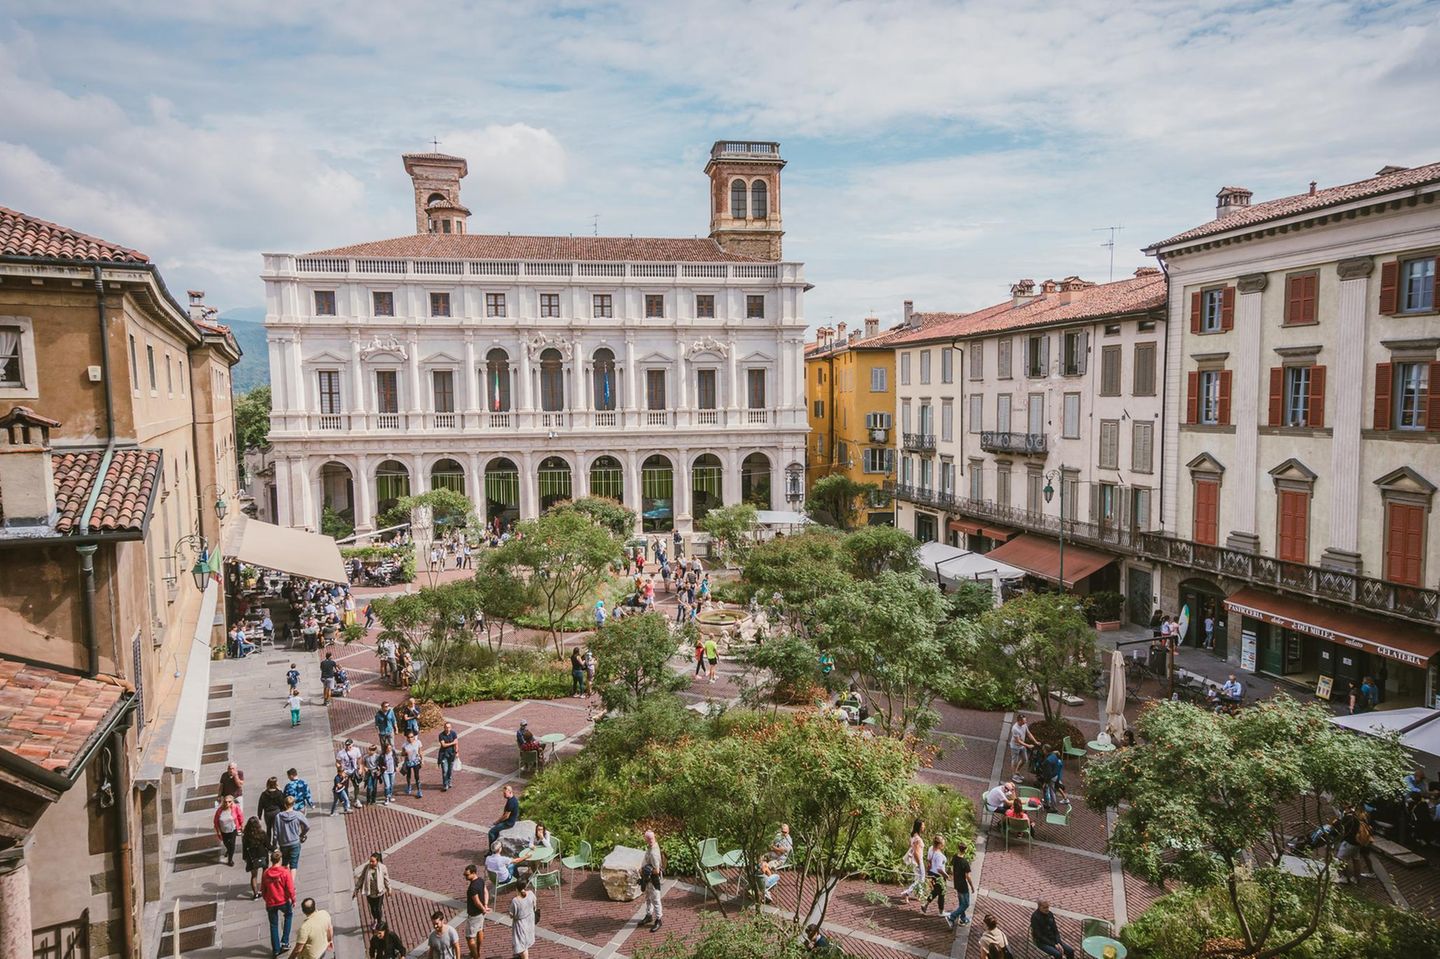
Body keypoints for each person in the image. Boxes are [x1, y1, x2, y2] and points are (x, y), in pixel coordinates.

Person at [262, 850, 296, 958]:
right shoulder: (285, 872)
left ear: (271, 860)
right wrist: (293, 899)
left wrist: (267, 899)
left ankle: (276, 950)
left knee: (273, 925)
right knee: (288, 916)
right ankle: (285, 942)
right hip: (283, 901)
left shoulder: (266, 873)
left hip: (271, 902)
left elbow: (263, 889)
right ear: (279, 860)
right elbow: (290, 888)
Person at [352, 851, 391, 928]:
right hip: (370, 893)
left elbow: (386, 879)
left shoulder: (382, 868)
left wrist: (389, 888)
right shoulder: (367, 867)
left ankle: (379, 922)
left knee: (378, 908)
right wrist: (356, 890)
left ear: (377, 861)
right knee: (373, 908)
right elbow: (361, 878)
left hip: (379, 892)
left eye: (373, 861)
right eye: (370, 861)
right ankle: (375, 919)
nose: (371, 863)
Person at [274, 796, 310, 873]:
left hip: (283, 844)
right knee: (293, 865)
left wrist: (274, 845)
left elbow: (275, 833)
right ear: (293, 804)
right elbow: (307, 826)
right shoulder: (298, 815)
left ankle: (285, 880)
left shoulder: (278, 816)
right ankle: (291, 884)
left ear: (285, 804)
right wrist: (302, 834)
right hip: (295, 842)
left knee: (285, 863)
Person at [462, 864, 490, 959]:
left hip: (474, 914)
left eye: (467, 875)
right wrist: (485, 905)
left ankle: (476, 957)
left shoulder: (472, 888)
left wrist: (483, 908)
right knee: (480, 930)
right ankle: (478, 951)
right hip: (481, 913)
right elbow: (486, 892)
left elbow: (476, 901)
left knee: (469, 937)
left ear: (473, 873)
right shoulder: (481, 880)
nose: (465, 877)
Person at [945, 840, 973, 930]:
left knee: (961, 902)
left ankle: (963, 919)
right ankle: (952, 917)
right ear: (965, 850)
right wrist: (972, 886)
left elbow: (952, 869)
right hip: (963, 885)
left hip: (956, 883)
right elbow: (968, 876)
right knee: (966, 904)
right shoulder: (965, 862)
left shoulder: (955, 857)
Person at [640, 829, 664, 932]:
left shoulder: (654, 852)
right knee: (648, 898)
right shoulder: (651, 847)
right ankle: (649, 915)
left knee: (655, 899)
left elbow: (657, 870)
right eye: (648, 838)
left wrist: (646, 870)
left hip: (653, 880)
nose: (649, 840)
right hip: (647, 879)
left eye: (651, 838)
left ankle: (658, 919)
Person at [214, 794, 245, 866]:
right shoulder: (219, 810)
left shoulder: (235, 808)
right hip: (223, 831)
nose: (227, 803)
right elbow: (215, 822)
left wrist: (242, 825)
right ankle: (228, 850)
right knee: (226, 843)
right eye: (225, 802)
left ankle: (230, 860)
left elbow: (240, 816)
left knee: (232, 845)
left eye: (229, 801)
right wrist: (218, 831)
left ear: (232, 802)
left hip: (232, 830)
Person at [510, 878, 538, 958]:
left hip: (520, 925)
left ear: (516, 888)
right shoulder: (531, 894)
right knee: (526, 940)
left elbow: (511, 914)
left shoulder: (515, 901)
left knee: (522, 945)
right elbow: (535, 906)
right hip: (529, 922)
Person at [901, 819, 926, 902]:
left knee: (918, 879)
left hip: (915, 860)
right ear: (919, 827)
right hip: (918, 861)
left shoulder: (913, 836)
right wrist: (919, 864)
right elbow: (916, 852)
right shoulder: (917, 838)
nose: (924, 827)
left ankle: (920, 895)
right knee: (921, 879)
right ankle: (907, 892)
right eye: (922, 826)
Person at [921, 835, 947, 914]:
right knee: (941, 892)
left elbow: (928, 860)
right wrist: (946, 875)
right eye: (942, 844)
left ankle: (926, 905)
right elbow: (939, 869)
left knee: (936, 891)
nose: (943, 845)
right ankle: (940, 911)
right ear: (939, 845)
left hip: (931, 873)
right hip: (938, 875)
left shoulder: (930, 849)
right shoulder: (939, 855)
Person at [258, 776, 287, 847]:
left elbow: (260, 805)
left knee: (268, 828)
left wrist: (259, 814)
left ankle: (268, 844)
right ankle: (275, 844)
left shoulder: (264, 794)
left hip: (267, 813)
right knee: (276, 829)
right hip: (277, 812)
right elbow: (282, 803)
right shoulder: (279, 793)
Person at [1010, 715, 1040, 780]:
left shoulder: (1024, 725)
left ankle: (1017, 771)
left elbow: (1028, 733)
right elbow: (1018, 741)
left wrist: (1035, 741)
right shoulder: (1015, 728)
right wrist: (1028, 745)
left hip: (1022, 746)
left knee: (1024, 759)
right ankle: (1014, 776)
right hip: (1015, 747)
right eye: (1024, 721)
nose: (1025, 722)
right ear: (1019, 721)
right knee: (1014, 761)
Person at [339, 739, 364, 806]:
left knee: (356, 786)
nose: (348, 747)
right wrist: (341, 771)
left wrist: (360, 768)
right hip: (346, 772)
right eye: (346, 745)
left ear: (352, 744)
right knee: (345, 787)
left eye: (349, 745)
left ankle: (356, 799)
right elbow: (337, 762)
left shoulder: (356, 750)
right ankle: (346, 800)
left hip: (354, 771)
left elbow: (359, 758)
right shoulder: (341, 753)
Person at [400, 730, 424, 798]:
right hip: (408, 762)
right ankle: (409, 786)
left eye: (411, 737)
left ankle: (419, 790)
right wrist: (405, 753)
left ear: (414, 737)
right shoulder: (405, 745)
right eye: (409, 737)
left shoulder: (418, 742)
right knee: (408, 775)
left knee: (417, 776)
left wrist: (422, 760)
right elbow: (402, 754)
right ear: (406, 738)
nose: (410, 738)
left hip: (416, 761)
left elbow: (420, 752)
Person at [437, 721, 459, 791]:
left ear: (451, 727)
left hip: (452, 755)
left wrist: (457, 751)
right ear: (444, 728)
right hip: (444, 755)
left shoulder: (453, 733)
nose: (447, 729)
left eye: (449, 727)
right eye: (446, 727)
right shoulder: (441, 735)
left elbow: (456, 743)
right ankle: (445, 784)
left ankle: (449, 781)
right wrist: (452, 742)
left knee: (450, 770)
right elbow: (443, 745)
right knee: (445, 771)